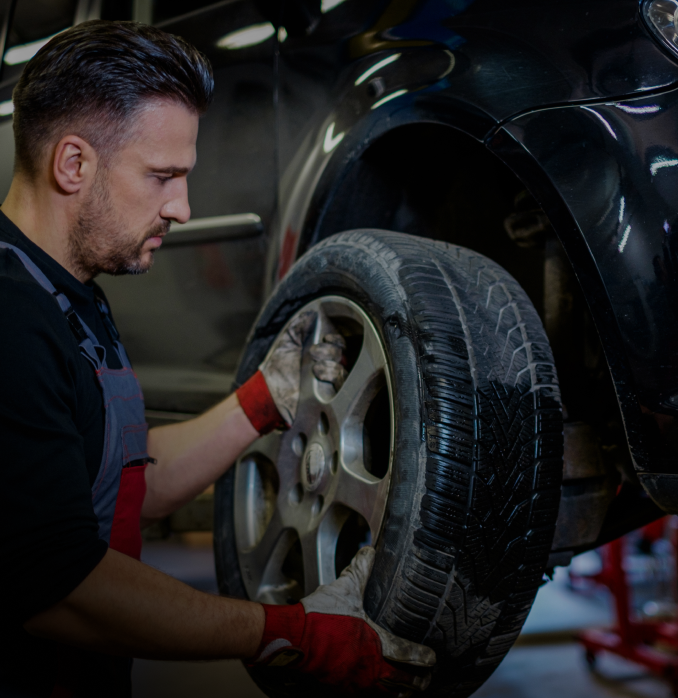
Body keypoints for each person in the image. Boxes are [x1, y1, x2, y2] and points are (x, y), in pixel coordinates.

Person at [0, 20, 434, 698]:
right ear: (73, 164)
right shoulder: (10, 319)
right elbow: (62, 589)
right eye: (162, 177)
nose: (182, 208)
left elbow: (129, 482)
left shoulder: (68, 290)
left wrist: (263, 399)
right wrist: (293, 634)